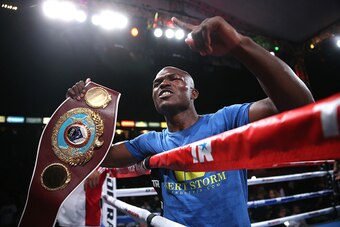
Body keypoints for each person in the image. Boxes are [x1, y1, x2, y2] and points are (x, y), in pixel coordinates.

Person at [66, 16, 314, 226]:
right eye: (157, 83)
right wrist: (79, 114)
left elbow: (300, 106)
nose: (163, 83)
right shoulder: (150, 142)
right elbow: (96, 154)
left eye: (174, 79)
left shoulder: (225, 121)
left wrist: (239, 45)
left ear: (193, 93)